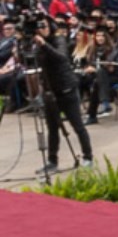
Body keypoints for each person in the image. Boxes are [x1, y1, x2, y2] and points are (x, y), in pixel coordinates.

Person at [31, 17, 93, 172]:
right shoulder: (37, 45)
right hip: (50, 91)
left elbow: (61, 57)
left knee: (78, 126)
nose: (42, 29)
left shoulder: (59, 40)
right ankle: (52, 161)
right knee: (52, 128)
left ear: (51, 26)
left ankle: (88, 157)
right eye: (40, 27)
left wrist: (44, 44)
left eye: (44, 26)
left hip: (67, 90)